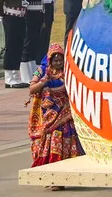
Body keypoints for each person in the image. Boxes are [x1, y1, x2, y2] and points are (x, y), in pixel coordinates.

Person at [28, 43, 83, 182]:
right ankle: (51, 177)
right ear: (50, 60)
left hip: (65, 114)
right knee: (50, 143)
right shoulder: (42, 70)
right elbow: (32, 88)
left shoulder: (67, 71)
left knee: (68, 142)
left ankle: (64, 177)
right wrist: (43, 83)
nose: (58, 63)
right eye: (55, 60)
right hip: (49, 115)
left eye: (60, 60)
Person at [21, 0, 47, 84]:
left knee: (34, 45)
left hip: (38, 16)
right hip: (30, 17)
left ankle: (32, 72)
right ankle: (24, 74)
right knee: (27, 44)